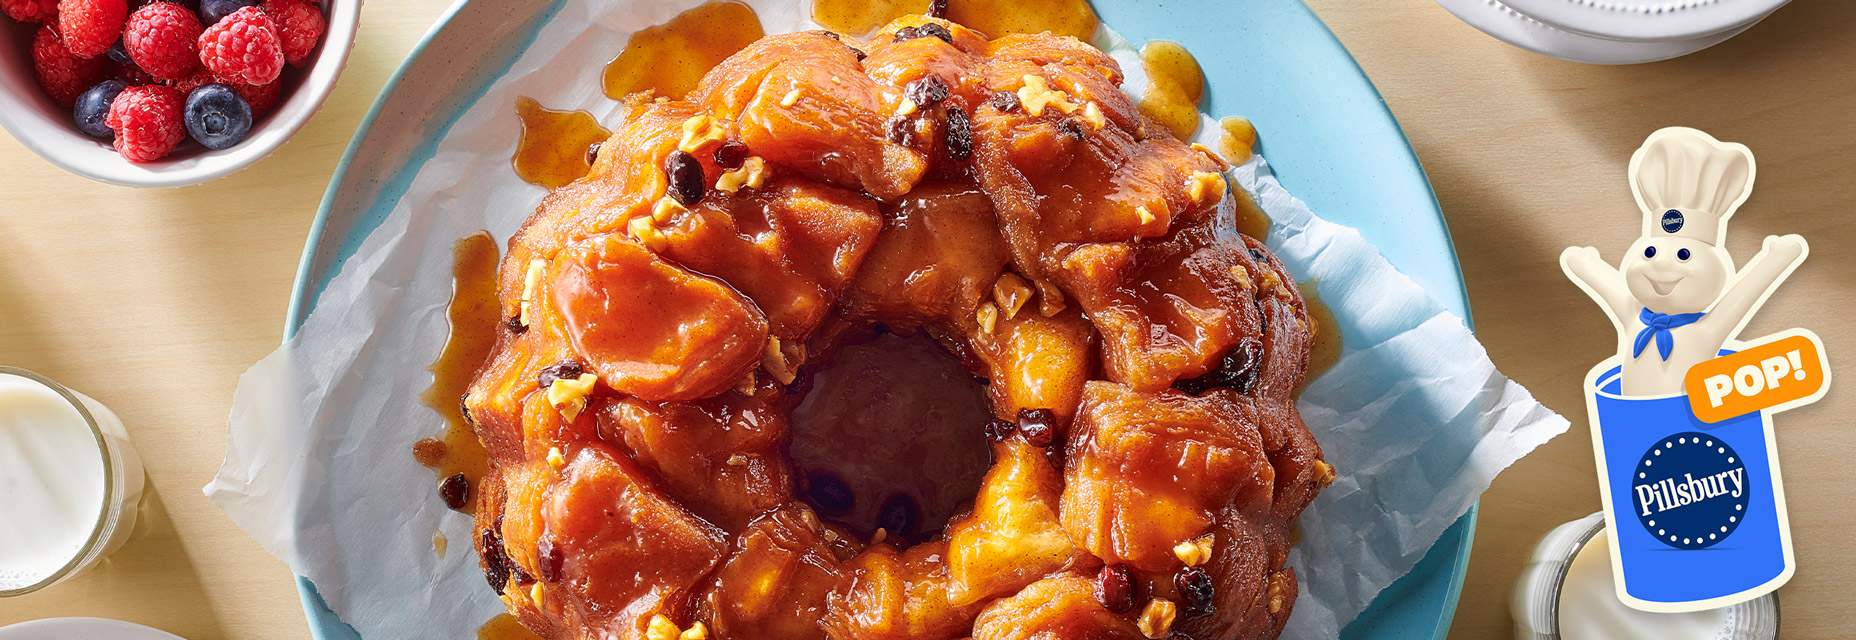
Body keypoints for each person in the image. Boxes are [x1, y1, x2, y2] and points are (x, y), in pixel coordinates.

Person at [1561, 127, 1807, 396]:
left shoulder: (1705, 332)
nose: (1660, 266)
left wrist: (1775, 259)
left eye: (1683, 256)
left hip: (1690, 428)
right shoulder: (1636, 317)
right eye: (1650, 253)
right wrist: (1585, 266)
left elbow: (1742, 296)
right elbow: (1610, 287)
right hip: (1629, 420)